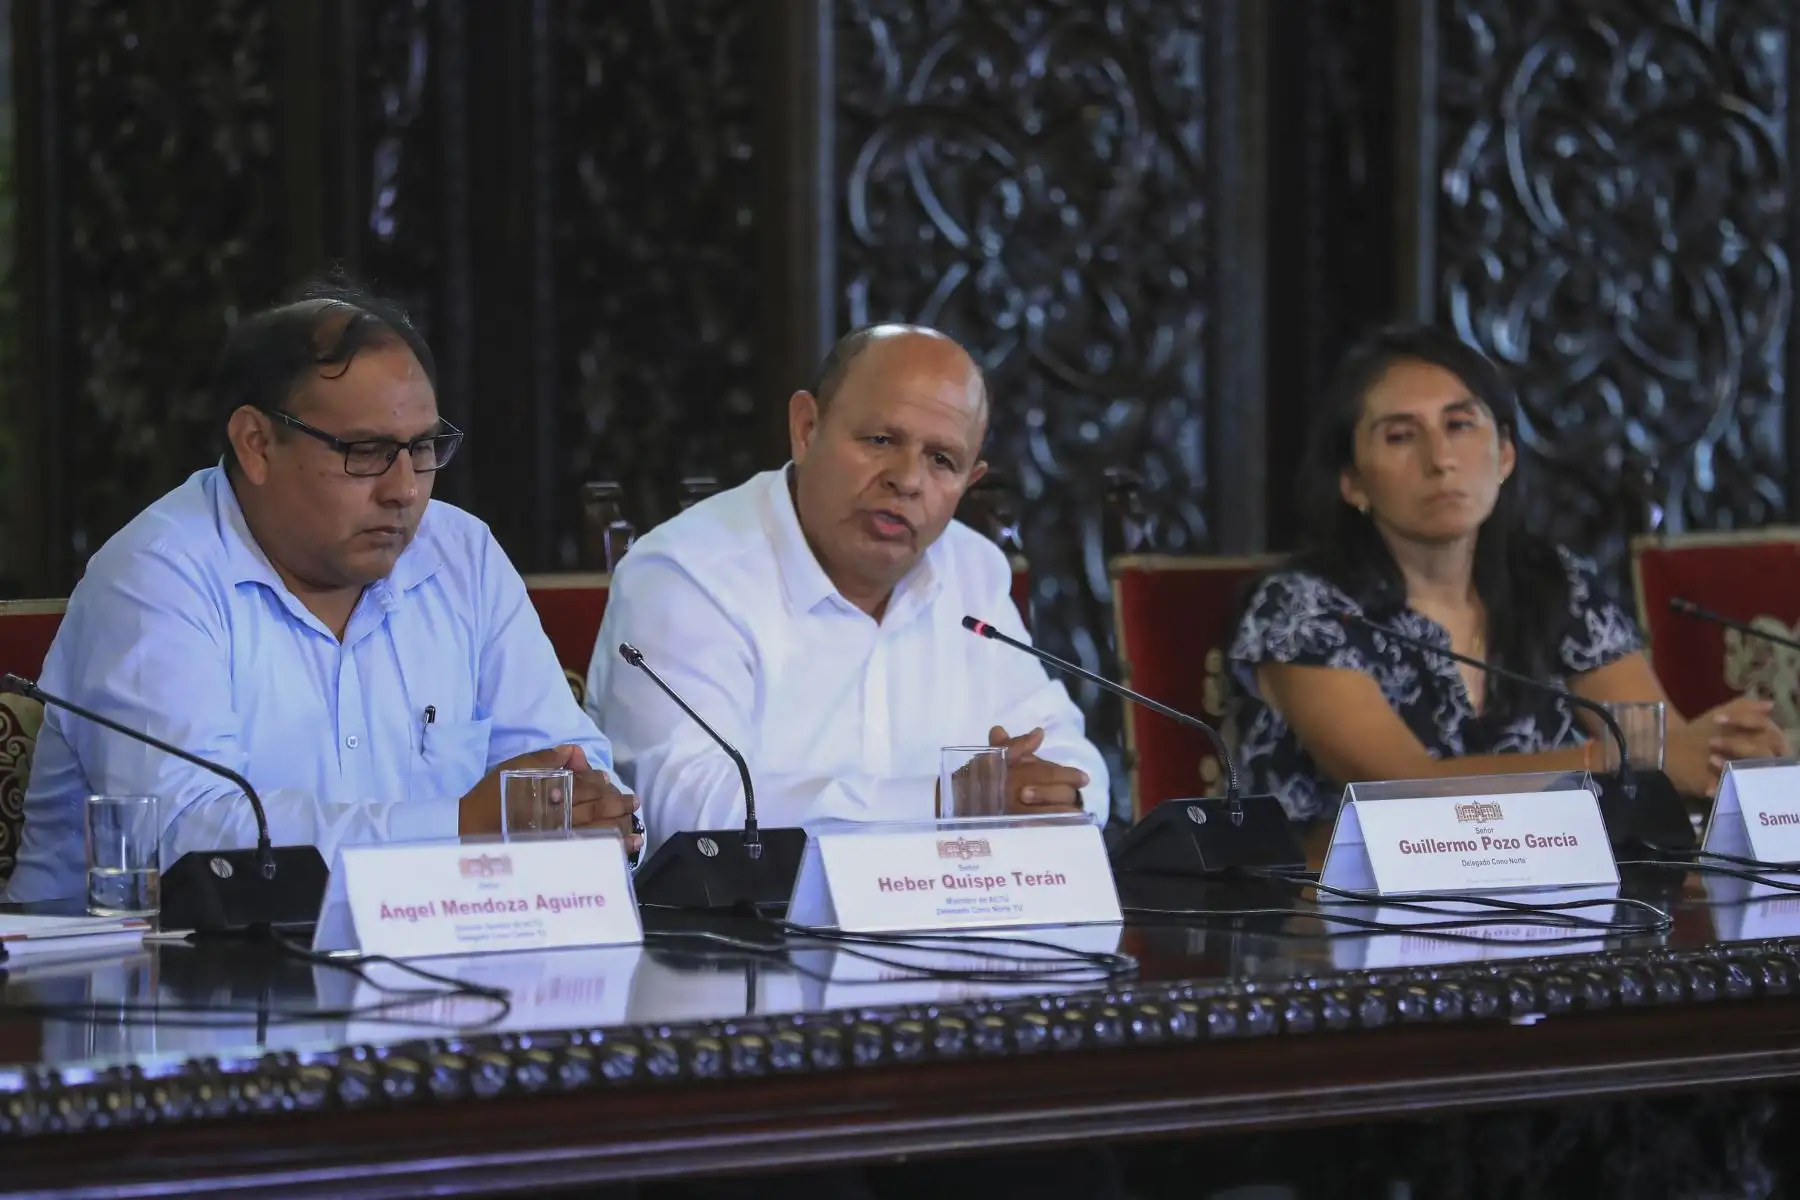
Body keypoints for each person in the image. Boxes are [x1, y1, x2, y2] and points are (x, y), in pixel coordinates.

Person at [3, 278, 637, 903]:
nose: (405, 489)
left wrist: (592, 811)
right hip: (145, 981)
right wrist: (460, 826)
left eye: (422, 449)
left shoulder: (459, 556)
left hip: (426, 969)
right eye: (365, 451)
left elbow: (565, 765)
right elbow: (185, 840)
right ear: (256, 444)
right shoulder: (156, 577)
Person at [1229, 324, 1787, 847]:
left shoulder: (1553, 584)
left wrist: (1722, 751)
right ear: (1351, 482)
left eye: (1460, 425)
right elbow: (1398, 786)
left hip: (1552, 903)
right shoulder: (1302, 611)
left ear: (1505, 455)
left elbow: (1652, 739)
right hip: (1340, 917)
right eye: (1401, 436)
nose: (1440, 459)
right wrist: (1612, 759)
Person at [586, 324, 1107, 852]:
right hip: (749, 929)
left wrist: (1050, 797)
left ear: (970, 482)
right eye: (881, 440)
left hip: (948, 921)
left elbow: (1071, 757)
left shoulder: (972, 568)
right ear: (807, 429)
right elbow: (683, 810)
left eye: (941, 460)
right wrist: (946, 802)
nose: (907, 480)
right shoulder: (687, 574)